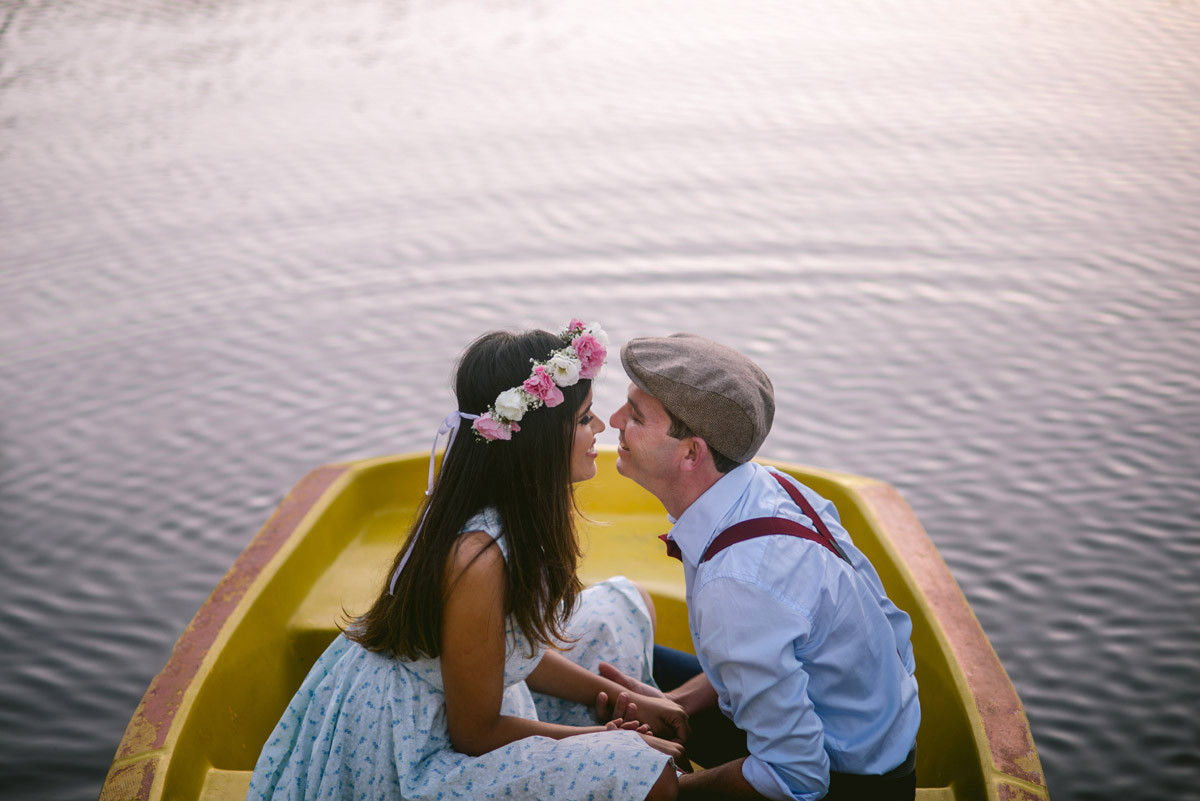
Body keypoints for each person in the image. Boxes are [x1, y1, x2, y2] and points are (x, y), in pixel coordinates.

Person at [247, 321, 687, 801]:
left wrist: (624, 697)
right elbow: (475, 733)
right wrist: (607, 740)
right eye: (584, 419)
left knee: (621, 605)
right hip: (416, 744)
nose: (600, 428)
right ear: (537, 439)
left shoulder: (517, 517)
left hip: (466, 705)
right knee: (641, 769)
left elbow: (511, 649)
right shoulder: (478, 558)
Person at [599, 333, 921, 801]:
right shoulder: (769, 486)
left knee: (603, 746)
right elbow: (792, 648)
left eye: (635, 416)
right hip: (870, 741)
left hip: (847, 784)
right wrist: (677, 702)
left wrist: (668, 789)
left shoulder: (738, 582)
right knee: (612, 673)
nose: (613, 421)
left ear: (691, 454)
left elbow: (796, 778)